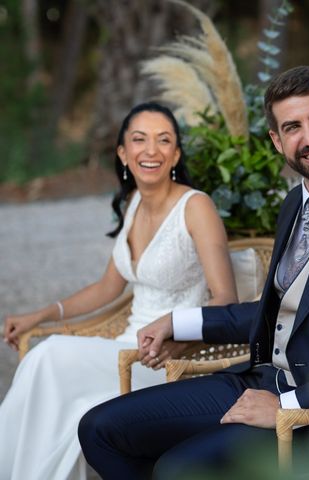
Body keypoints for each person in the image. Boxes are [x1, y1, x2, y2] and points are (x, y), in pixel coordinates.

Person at [79, 66, 309, 478]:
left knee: (176, 468)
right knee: (100, 429)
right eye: (293, 127)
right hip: (257, 378)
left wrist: (287, 405)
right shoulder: (297, 204)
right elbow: (276, 311)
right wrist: (180, 322)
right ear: (277, 141)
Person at [0, 102, 238, 480]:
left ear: (175, 153)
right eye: (139, 140)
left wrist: (180, 336)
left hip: (167, 364)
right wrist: (40, 315)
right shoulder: (133, 203)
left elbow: (226, 299)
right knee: (42, 369)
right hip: (123, 347)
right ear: (123, 153)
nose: (151, 150)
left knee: (47, 359)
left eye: (164, 140)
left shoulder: (196, 208)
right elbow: (108, 287)